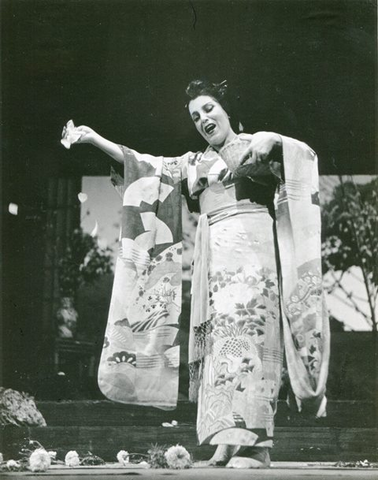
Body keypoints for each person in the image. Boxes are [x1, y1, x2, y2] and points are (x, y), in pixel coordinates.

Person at [64, 79, 330, 469]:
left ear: (227, 109)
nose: (203, 119)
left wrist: (275, 139)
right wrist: (93, 139)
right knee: (216, 342)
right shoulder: (195, 162)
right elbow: (146, 166)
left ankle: (256, 445)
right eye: (195, 116)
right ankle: (225, 440)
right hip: (213, 254)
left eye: (209, 109)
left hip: (252, 248)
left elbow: (303, 157)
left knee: (248, 334)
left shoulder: (257, 142)